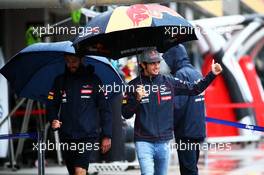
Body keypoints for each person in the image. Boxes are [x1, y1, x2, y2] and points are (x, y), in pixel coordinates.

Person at [122, 48, 222, 175]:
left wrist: (212, 74)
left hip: (163, 142)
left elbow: (195, 89)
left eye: (158, 62)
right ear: (143, 65)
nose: (156, 66)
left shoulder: (169, 82)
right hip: (144, 141)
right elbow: (125, 113)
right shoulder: (133, 86)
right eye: (152, 63)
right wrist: (136, 99)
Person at [47, 54, 112, 175]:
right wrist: (53, 120)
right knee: (74, 172)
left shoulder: (94, 80)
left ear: (81, 60)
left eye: (74, 61)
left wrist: (107, 135)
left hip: (88, 135)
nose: (71, 64)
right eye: (68, 61)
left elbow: (105, 109)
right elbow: (51, 105)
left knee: (79, 170)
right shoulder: (60, 80)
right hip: (66, 135)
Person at [163, 44, 206, 175]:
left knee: (188, 170)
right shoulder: (196, 72)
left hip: (185, 131)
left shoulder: (181, 75)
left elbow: (178, 106)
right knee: (192, 167)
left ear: (174, 58)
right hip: (198, 129)